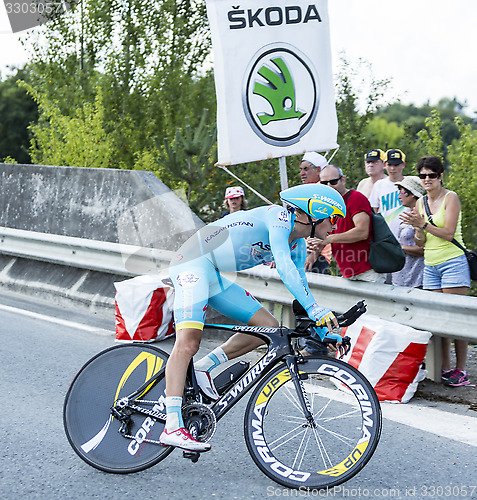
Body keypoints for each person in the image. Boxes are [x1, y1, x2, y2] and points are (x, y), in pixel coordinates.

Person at [160, 184, 346, 451]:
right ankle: (172, 425)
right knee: (189, 342)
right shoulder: (279, 218)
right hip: (191, 264)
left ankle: (201, 369)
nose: (335, 227)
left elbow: (301, 290)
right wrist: (317, 310)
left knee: (268, 327)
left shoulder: (298, 245)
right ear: (315, 213)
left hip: (211, 273)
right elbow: (282, 265)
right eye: (334, 219)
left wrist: (322, 330)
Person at [400, 156, 471, 387]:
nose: (427, 179)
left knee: (456, 319)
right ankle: (444, 366)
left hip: (452, 261)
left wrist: (422, 225)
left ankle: (461, 368)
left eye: (431, 175)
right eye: (423, 176)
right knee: (438, 321)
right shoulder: (421, 202)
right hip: (430, 264)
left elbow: (449, 233)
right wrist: (417, 227)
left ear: (440, 176)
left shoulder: (451, 198)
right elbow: (422, 240)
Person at [305, 165, 385, 283]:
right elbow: (326, 235)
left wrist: (329, 239)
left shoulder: (357, 199)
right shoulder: (329, 206)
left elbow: (362, 232)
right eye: (324, 183)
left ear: (343, 180)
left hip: (368, 271)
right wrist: (314, 255)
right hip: (348, 272)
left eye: (333, 182)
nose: (329, 186)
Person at [298, 151, 331, 274]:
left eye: (306, 169)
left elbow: (324, 229)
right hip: (305, 251)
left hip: (318, 254)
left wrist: (314, 254)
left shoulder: (322, 193)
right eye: (301, 169)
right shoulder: (309, 191)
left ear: (318, 170)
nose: (302, 173)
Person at [392, 176, 425, 287]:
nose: (399, 196)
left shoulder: (422, 215)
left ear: (412, 194)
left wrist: (398, 248)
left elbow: (423, 249)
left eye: (402, 192)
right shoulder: (405, 213)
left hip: (417, 276)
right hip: (401, 274)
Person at [369, 149, 406, 237]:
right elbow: (373, 210)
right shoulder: (379, 185)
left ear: (403, 165)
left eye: (396, 165)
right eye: (389, 165)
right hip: (386, 234)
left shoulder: (410, 183)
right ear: (385, 165)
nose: (393, 168)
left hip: (407, 233)